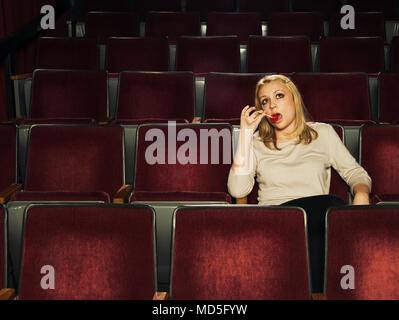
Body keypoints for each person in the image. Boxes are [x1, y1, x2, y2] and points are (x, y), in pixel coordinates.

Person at [227, 74, 372, 293]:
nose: (272, 104)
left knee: (327, 218)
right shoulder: (256, 142)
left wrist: (361, 193)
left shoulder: (322, 133)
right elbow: (238, 190)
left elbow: (355, 173)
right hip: (275, 223)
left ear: (294, 99)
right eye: (264, 101)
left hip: (318, 219)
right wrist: (246, 135)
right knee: (324, 217)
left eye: (278, 95)